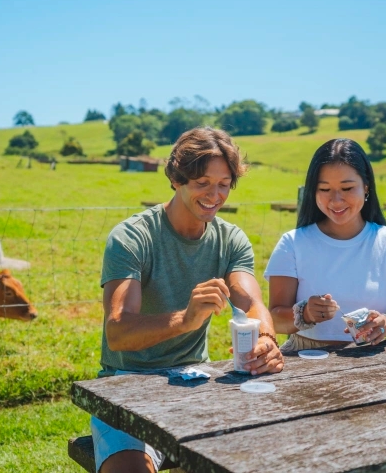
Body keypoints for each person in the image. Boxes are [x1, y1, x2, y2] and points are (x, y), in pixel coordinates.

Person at [92, 126, 284, 473]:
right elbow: (118, 331)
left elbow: (252, 301)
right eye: (202, 183)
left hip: (196, 378)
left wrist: (268, 338)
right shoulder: (131, 237)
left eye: (224, 184)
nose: (215, 194)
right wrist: (185, 319)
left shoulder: (231, 239)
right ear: (176, 180)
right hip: (125, 383)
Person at [265, 138, 386, 352]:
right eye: (324, 189)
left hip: (371, 358)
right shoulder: (293, 243)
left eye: (347, 188)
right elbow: (274, 320)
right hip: (303, 358)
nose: (336, 200)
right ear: (313, 192)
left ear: (366, 187)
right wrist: (305, 314)